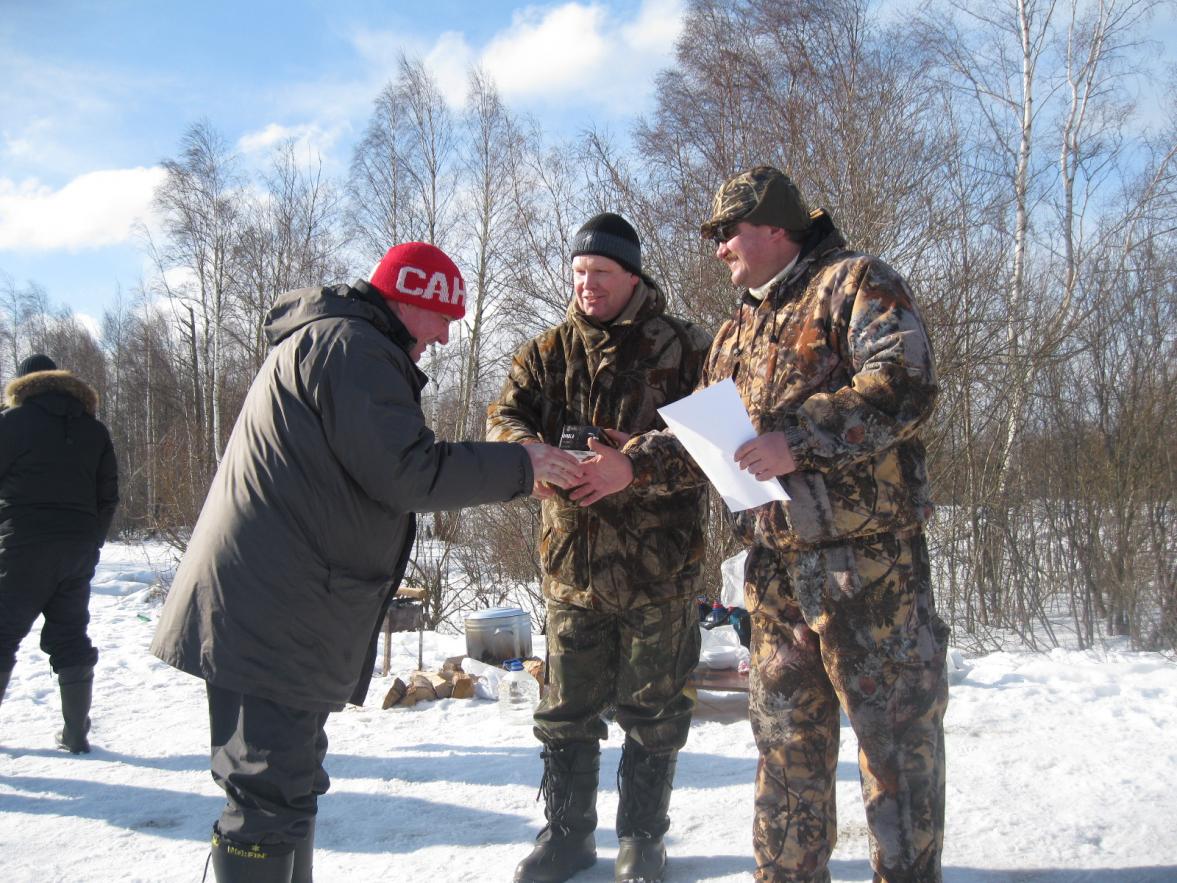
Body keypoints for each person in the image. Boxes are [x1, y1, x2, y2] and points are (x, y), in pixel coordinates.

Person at [150, 242, 583, 883]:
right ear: (410, 299)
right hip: (272, 606)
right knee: (266, 793)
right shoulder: (353, 349)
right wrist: (522, 465)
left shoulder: (340, 343)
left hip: (277, 600)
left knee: (287, 783)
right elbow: (406, 471)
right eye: (443, 319)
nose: (444, 338)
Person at [573, 168, 950, 882]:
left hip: (868, 571)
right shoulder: (736, 330)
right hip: (774, 578)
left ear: (775, 227)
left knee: (897, 754)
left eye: (727, 232)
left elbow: (905, 383)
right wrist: (632, 465)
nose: (718, 248)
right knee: (784, 753)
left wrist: (797, 440)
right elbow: (707, 440)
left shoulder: (854, 284)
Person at [487, 213, 712, 883]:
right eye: (579, 271)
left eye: (602, 272)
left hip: (659, 568)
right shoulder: (544, 353)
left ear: (632, 276)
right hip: (572, 567)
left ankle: (642, 839)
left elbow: (716, 439)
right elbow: (503, 416)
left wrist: (634, 463)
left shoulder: (687, 347)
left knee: (655, 710)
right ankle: (566, 835)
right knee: (565, 711)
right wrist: (526, 456)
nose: (587, 283)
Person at [0, 354, 119, 754]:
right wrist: (91, 542)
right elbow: (108, 497)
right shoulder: (94, 430)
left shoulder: (10, 423)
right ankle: (76, 735)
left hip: (22, 545)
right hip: (77, 549)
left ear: (22, 385)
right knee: (70, 636)